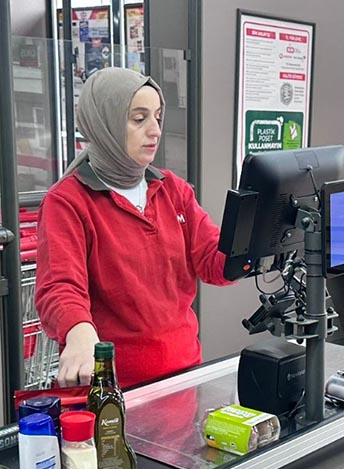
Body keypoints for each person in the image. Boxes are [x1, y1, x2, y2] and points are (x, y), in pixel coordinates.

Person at [36, 68, 234, 388]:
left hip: (184, 376)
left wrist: (254, 241)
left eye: (157, 117)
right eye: (138, 119)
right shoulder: (68, 202)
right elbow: (60, 285)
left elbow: (213, 263)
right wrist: (79, 331)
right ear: (105, 125)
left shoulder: (173, 189)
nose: (154, 130)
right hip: (114, 388)